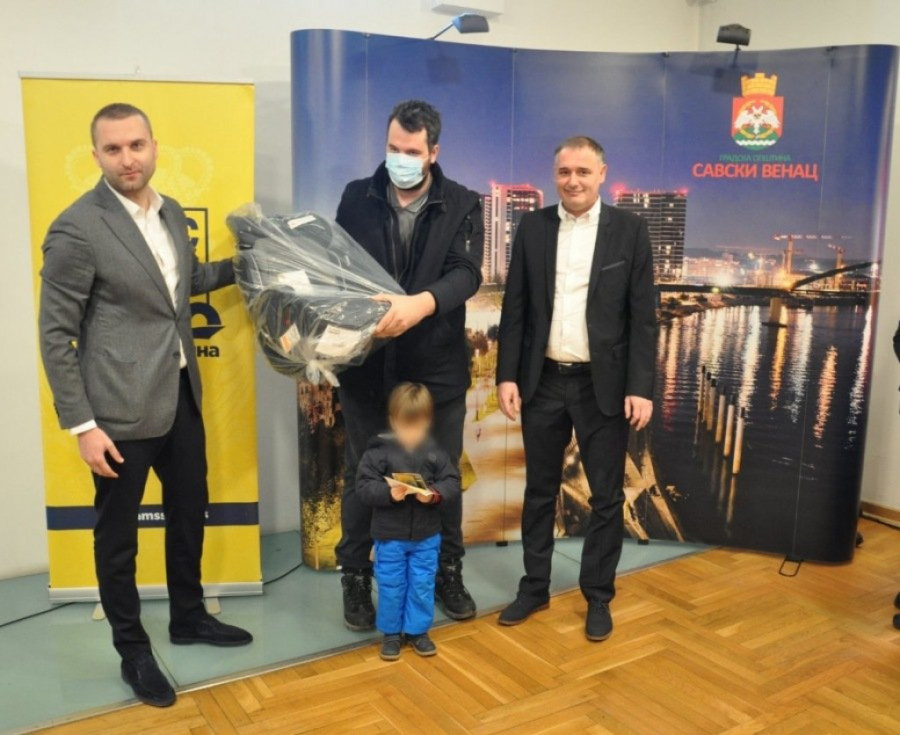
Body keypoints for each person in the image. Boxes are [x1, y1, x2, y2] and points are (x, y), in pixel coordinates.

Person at [38, 103, 252, 708]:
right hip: (116, 414)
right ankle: (132, 650)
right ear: (96, 156)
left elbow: (183, 284)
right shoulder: (77, 228)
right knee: (118, 540)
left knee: (188, 514)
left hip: (180, 396)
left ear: (154, 146)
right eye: (113, 149)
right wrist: (83, 425)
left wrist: (252, 262)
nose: (127, 159)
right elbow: (56, 335)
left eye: (136, 145)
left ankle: (188, 615)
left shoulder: (170, 211)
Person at [495, 135, 656, 642]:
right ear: (554, 174)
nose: (573, 181)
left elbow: (643, 318)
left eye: (583, 171)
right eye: (565, 171)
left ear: (602, 174)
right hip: (542, 381)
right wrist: (506, 375)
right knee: (538, 491)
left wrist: (641, 386)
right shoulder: (533, 227)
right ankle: (534, 587)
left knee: (606, 497)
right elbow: (515, 308)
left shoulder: (629, 231)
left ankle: (598, 596)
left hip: (602, 386)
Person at [334, 100, 484, 629]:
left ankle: (447, 570)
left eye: (412, 151)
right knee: (362, 471)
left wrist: (420, 304)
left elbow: (466, 273)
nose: (400, 159)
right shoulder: (356, 196)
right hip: (367, 366)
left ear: (433, 152)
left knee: (441, 472)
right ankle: (356, 576)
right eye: (393, 148)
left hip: (434, 367)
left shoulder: (462, 202)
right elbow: (336, 267)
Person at [356, 383, 461, 660]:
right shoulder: (378, 452)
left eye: (418, 426)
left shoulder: (436, 452)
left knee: (422, 584)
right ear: (393, 421)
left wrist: (433, 495)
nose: (411, 433)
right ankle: (391, 633)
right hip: (389, 537)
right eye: (405, 426)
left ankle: (417, 631)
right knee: (391, 585)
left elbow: (452, 481)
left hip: (427, 536)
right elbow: (363, 487)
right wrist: (388, 494)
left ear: (428, 422)